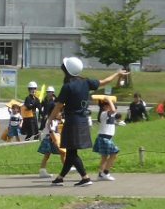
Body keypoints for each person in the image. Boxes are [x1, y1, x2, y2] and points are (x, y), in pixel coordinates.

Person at [49, 56, 128, 187]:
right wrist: (117, 73)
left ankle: (85, 178)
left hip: (72, 121)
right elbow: (104, 81)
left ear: (67, 70)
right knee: (71, 151)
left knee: (72, 152)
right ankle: (60, 178)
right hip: (83, 121)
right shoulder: (86, 82)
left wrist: (50, 119)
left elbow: (58, 106)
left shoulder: (67, 86)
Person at [94, 98, 122, 181]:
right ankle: (105, 172)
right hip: (105, 138)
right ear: (105, 106)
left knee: (104, 157)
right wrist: (110, 100)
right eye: (109, 105)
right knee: (114, 153)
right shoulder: (105, 113)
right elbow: (113, 110)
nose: (111, 107)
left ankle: (101, 174)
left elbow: (114, 111)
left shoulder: (106, 114)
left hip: (104, 137)